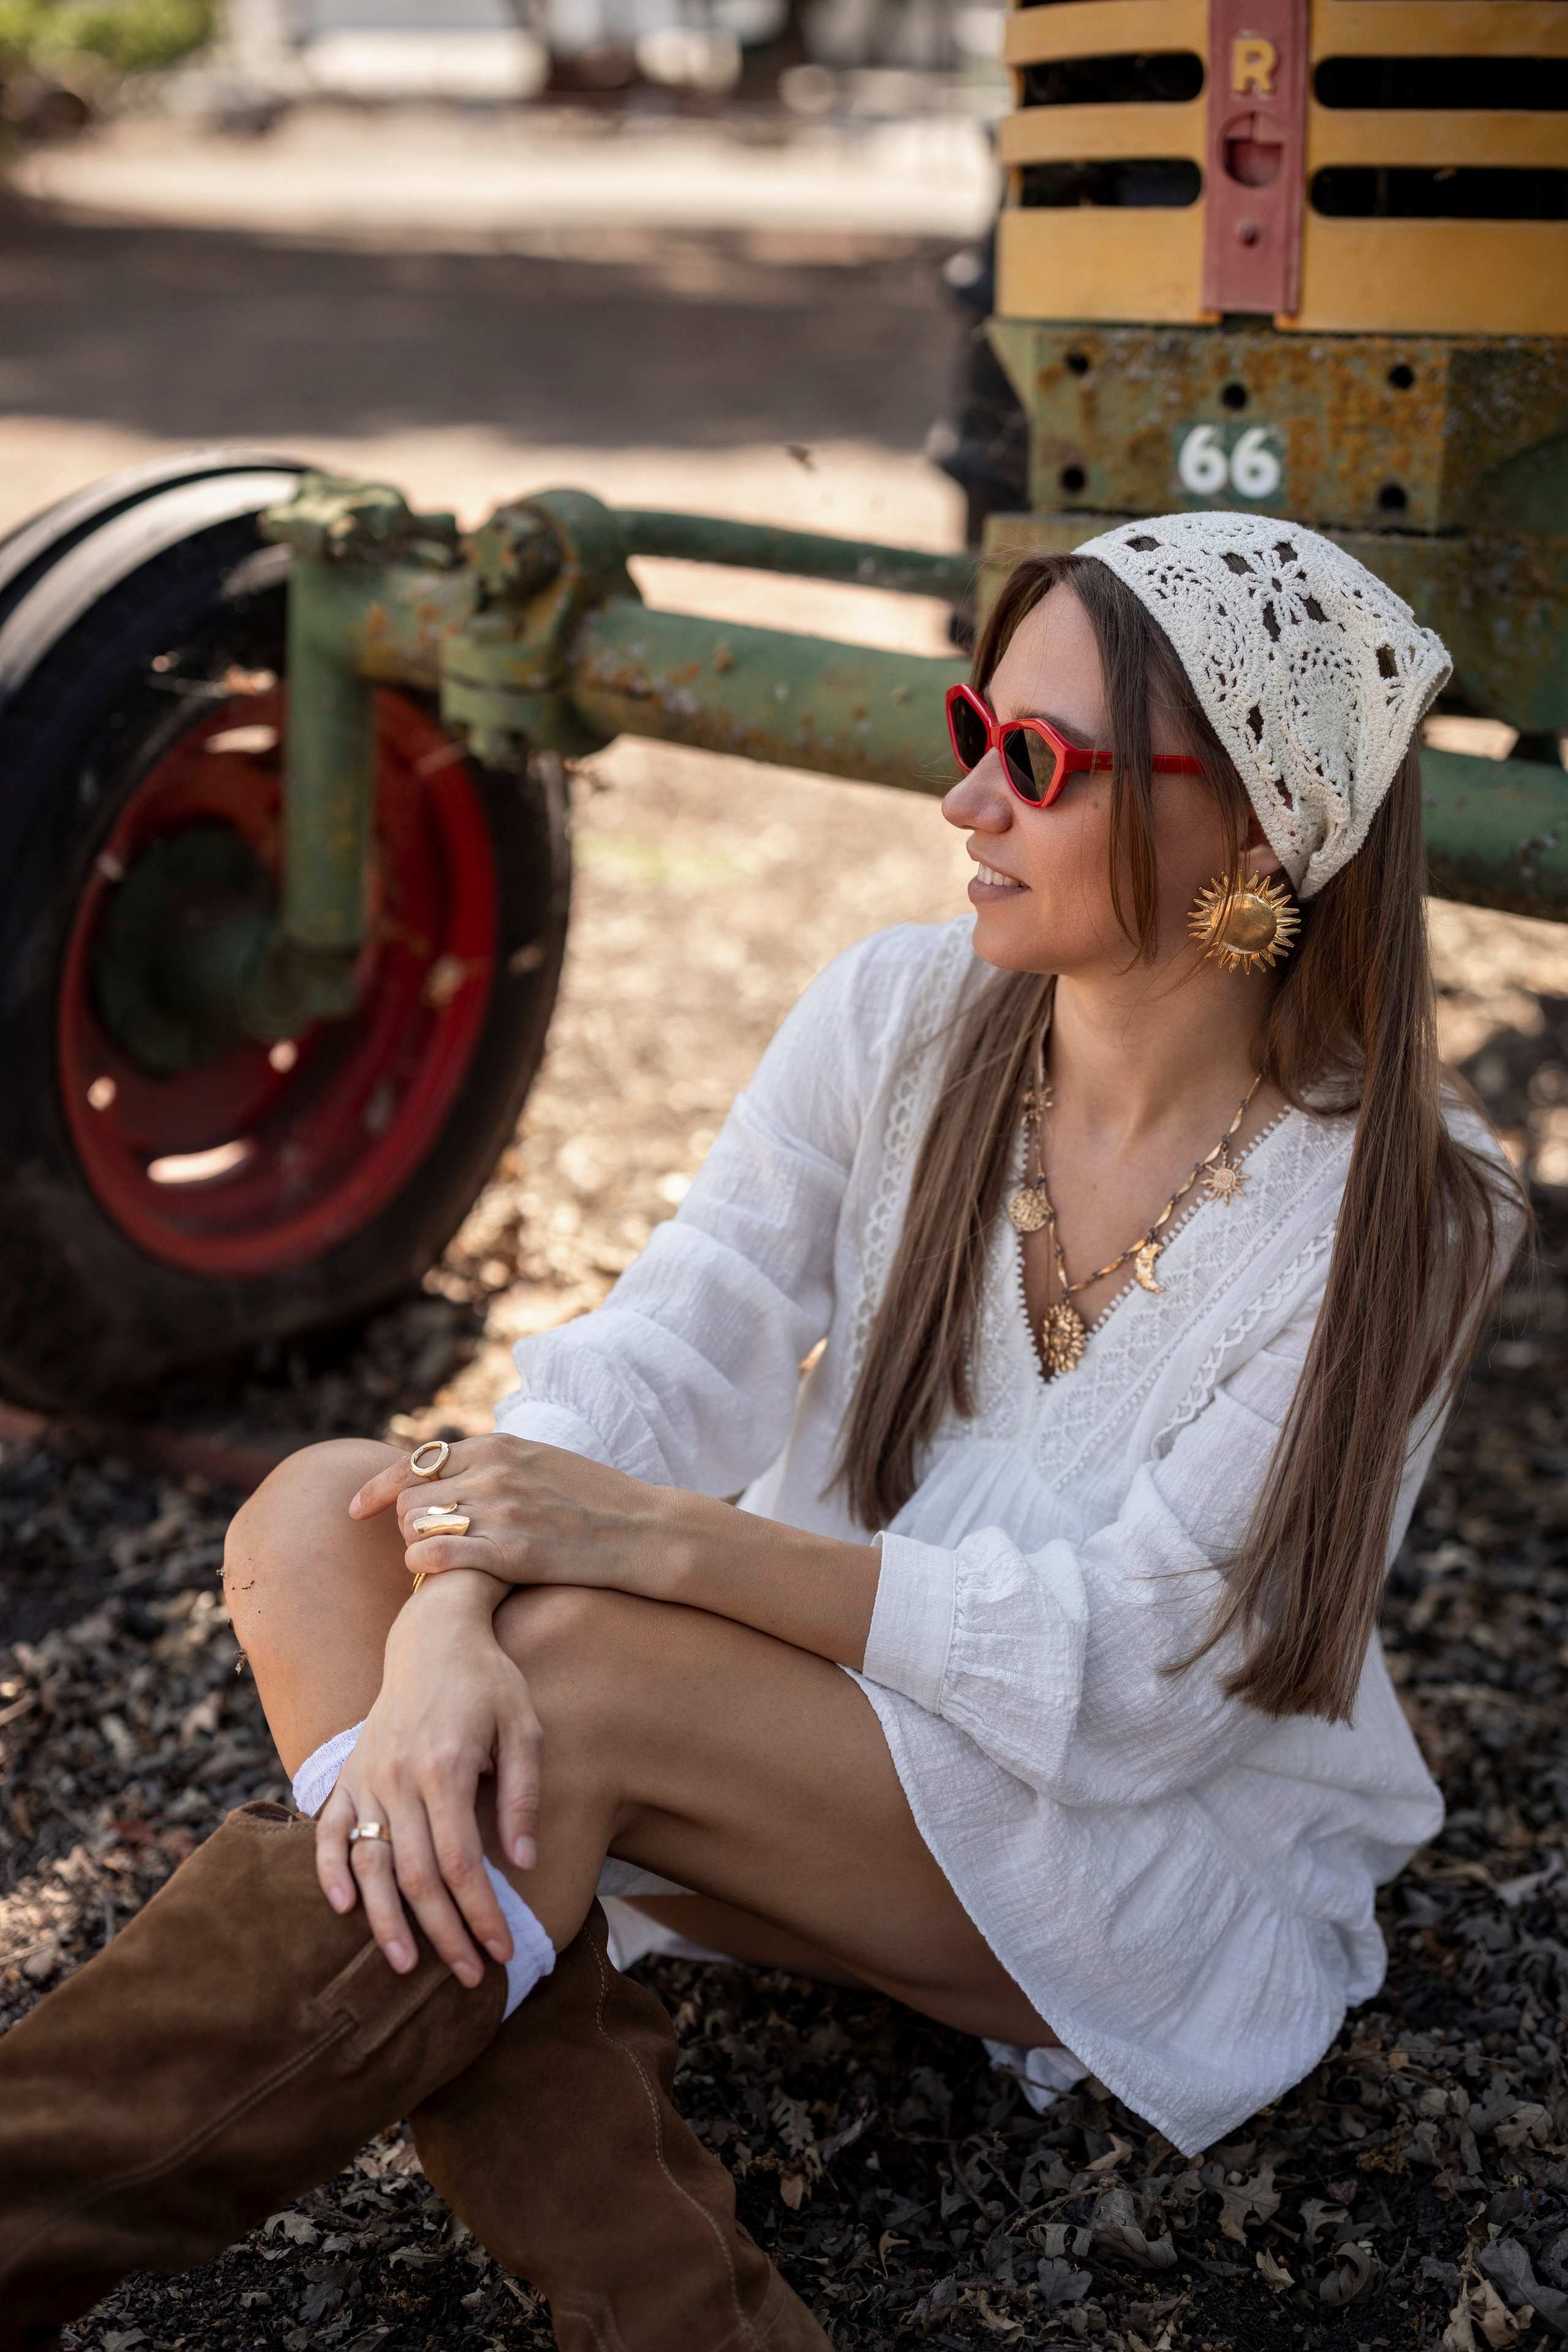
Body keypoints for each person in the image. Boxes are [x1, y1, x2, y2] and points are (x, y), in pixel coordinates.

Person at [0, 513, 1521, 2352]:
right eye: (975, 724)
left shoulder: (1398, 1211)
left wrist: (647, 1552)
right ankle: (690, 2312)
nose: (965, 798)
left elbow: (1143, 1680)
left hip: (1120, 1859)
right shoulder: (904, 1014)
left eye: (1035, 759)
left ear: (1261, 829)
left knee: (577, 1684)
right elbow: (667, 1349)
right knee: (320, 1516)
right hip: (816, 1759)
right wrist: (445, 1624)